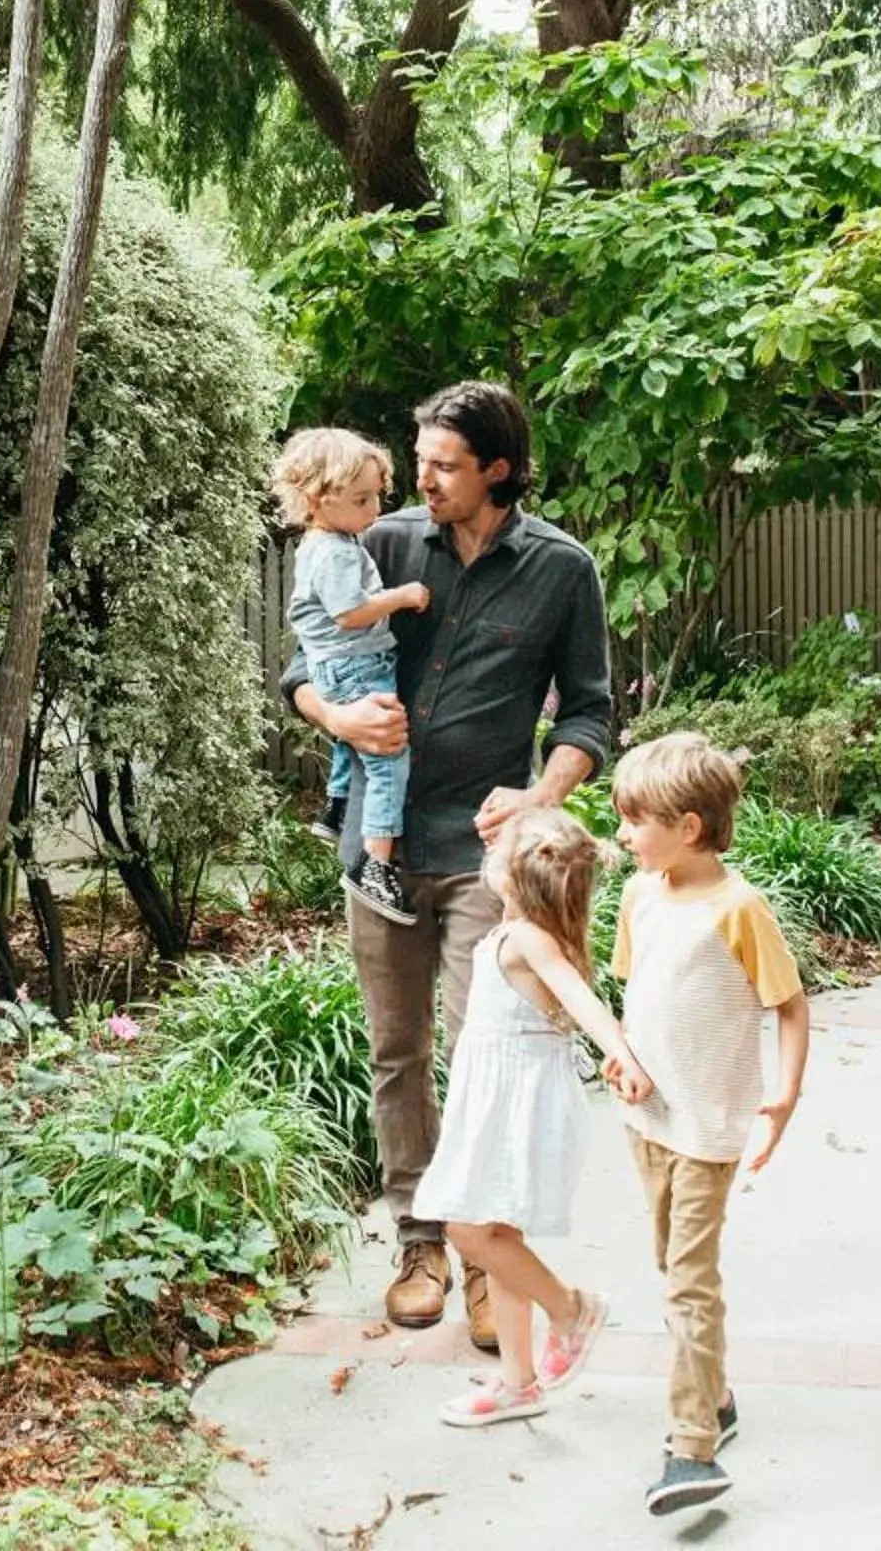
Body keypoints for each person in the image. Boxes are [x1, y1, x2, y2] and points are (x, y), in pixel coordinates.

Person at [278, 381, 614, 1352]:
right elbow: (299, 663)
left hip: (484, 853)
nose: (420, 477)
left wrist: (543, 797)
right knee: (397, 1052)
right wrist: (337, 717)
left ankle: (483, 1258)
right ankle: (419, 1240)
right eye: (418, 459)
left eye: (443, 464)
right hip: (377, 846)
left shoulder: (561, 569)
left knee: (477, 1054)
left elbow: (591, 709)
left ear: (497, 470)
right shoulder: (374, 543)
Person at [606, 730, 813, 1516]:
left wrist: (786, 1095)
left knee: (690, 1282)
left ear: (688, 826)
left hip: (710, 1128)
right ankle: (718, 1396)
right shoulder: (639, 895)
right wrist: (618, 1057)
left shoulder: (739, 909)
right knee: (669, 1263)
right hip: (647, 1121)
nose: (622, 833)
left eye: (635, 819)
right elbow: (639, 1001)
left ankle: (691, 1448)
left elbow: (790, 1005)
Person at [414, 809, 652, 1427]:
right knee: (497, 1236)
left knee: (468, 1229)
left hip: (516, 1106)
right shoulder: (518, 933)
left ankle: (570, 1309)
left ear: (516, 877)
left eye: (500, 848)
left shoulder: (529, 940)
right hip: (499, 1098)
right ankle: (519, 1382)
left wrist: (620, 1051)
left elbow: (582, 1000)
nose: (486, 849)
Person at [269, 428, 428, 925]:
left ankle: (337, 807)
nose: (374, 510)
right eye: (361, 499)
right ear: (317, 499)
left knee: (351, 740)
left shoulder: (327, 540)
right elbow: (350, 612)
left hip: (336, 665)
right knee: (387, 760)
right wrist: (403, 596)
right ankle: (374, 866)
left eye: (377, 495)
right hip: (354, 661)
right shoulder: (335, 550)